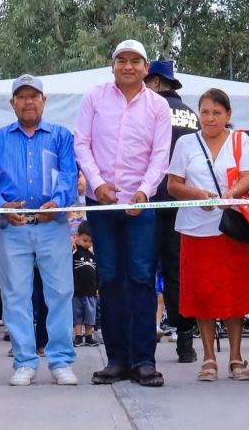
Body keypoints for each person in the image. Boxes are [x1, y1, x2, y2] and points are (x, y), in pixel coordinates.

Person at [75, 39, 171, 387]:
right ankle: (116, 359)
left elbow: (161, 153)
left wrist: (144, 191)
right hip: (102, 204)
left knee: (142, 279)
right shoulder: (94, 97)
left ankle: (145, 361)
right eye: (121, 60)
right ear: (112, 65)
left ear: (146, 68)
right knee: (111, 279)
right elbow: (81, 143)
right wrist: (97, 184)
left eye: (135, 61)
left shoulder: (158, 106)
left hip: (141, 205)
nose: (128, 66)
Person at [0, 74, 80, 386]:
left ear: (44, 101)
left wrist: (58, 203)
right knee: (15, 296)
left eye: (34, 95)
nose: (28, 101)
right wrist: (2, 207)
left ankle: (61, 360)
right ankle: (24, 361)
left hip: (54, 226)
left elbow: (69, 175)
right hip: (13, 228)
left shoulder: (61, 136)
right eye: (21, 96)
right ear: (12, 103)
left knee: (61, 294)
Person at [166, 88, 249, 383]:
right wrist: (196, 195)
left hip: (232, 226)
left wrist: (230, 194)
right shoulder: (185, 143)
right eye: (205, 112)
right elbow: (173, 185)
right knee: (202, 293)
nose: (210, 118)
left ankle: (235, 356)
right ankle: (207, 356)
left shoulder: (240, 140)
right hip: (196, 228)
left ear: (228, 115)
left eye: (217, 112)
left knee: (234, 293)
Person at [144, 59, 199, 363]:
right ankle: (186, 344)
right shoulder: (192, 115)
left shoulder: (150, 110)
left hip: (151, 198)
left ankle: (143, 342)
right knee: (179, 274)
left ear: (154, 83)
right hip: (182, 203)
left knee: (144, 270)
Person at [72, 222, 99, 347]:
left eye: (90, 241)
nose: (87, 244)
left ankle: (89, 336)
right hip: (76, 290)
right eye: (84, 240)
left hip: (90, 291)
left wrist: (97, 287)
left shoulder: (93, 255)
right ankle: (78, 336)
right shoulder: (74, 252)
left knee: (90, 314)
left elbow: (96, 272)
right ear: (77, 236)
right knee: (77, 314)